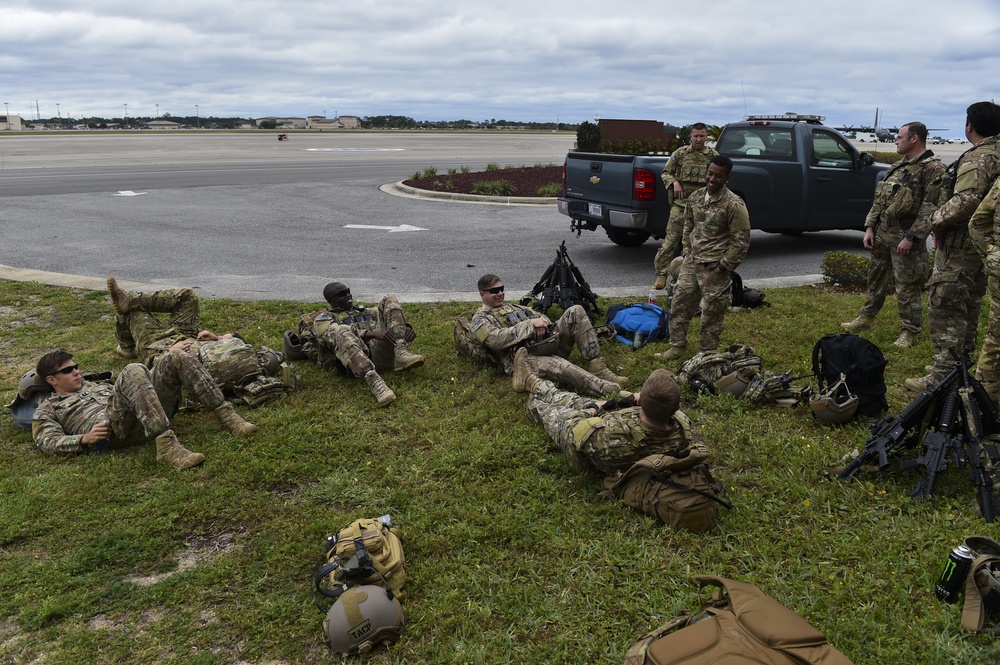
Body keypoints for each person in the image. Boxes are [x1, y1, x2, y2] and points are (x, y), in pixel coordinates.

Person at [906, 101, 1000, 392]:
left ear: (969, 126)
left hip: (962, 245)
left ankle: (943, 374)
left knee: (945, 304)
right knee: (970, 304)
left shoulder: (980, 157)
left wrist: (936, 220)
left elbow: (967, 200)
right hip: (985, 247)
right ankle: (961, 364)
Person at [106, 278, 259, 434]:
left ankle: (127, 347)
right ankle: (130, 299)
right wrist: (217, 338)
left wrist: (169, 352)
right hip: (190, 336)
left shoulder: (221, 368)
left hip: (160, 346)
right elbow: (234, 339)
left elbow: (165, 371)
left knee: (132, 312)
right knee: (187, 295)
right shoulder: (239, 350)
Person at [841, 122, 945, 347]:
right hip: (883, 233)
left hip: (906, 237)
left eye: (900, 137)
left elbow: (930, 208)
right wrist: (870, 227)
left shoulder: (933, 169)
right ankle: (867, 317)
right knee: (876, 277)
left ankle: (910, 331)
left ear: (914, 138)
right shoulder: (897, 166)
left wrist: (912, 237)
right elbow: (880, 200)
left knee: (908, 285)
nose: (896, 140)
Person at [517, 351, 691, 474]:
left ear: (640, 401)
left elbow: (573, 430)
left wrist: (594, 408)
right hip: (618, 424)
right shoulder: (682, 427)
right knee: (576, 400)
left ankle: (534, 388)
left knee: (547, 407)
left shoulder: (611, 437)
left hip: (582, 439)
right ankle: (535, 382)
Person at [32, 349, 209, 469]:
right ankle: (168, 449)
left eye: (76, 367)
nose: (76, 372)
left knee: (174, 356)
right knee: (132, 369)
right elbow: (47, 441)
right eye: (68, 370)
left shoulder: (96, 384)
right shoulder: (48, 408)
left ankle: (227, 416)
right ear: (51, 380)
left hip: (143, 417)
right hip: (114, 431)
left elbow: (141, 387)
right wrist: (84, 439)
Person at [656, 155, 751, 361]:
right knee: (679, 304)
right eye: (710, 173)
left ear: (727, 178)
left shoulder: (734, 204)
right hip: (692, 262)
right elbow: (688, 225)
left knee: (712, 313)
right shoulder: (696, 197)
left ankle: (707, 354)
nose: (712, 178)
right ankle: (677, 347)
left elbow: (741, 241)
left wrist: (723, 267)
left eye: (718, 176)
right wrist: (687, 251)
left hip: (715, 267)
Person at [470, 273, 627, 395]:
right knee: (565, 367)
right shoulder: (480, 320)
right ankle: (611, 391)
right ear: (482, 294)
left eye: (502, 289)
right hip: (524, 360)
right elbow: (495, 340)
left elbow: (541, 317)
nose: (500, 293)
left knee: (576, 310)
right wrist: (530, 325)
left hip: (546, 343)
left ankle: (597, 366)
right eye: (494, 291)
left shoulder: (514, 307)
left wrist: (542, 324)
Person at [297, 282, 424, 407]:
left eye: (348, 291)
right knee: (341, 330)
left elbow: (389, 318)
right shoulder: (323, 319)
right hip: (355, 362)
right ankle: (375, 382)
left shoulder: (365, 311)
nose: (348, 295)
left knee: (388, 299)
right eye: (342, 294)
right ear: (331, 300)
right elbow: (328, 335)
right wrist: (370, 334)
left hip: (382, 352)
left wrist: (406, 327)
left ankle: (401, 353)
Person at [652, 123, 719, 291]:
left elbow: (721, 178)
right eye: (695, 136)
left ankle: (695, 275)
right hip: (681, 206)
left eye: (702, 136)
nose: (698, 139)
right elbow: (666, 172)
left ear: (706, 137)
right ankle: (661, 274)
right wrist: (674, 182)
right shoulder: (680, 154)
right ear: (691, 136)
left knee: (700, 242)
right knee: (671, 240)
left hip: (703, 208)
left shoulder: (713, 156)